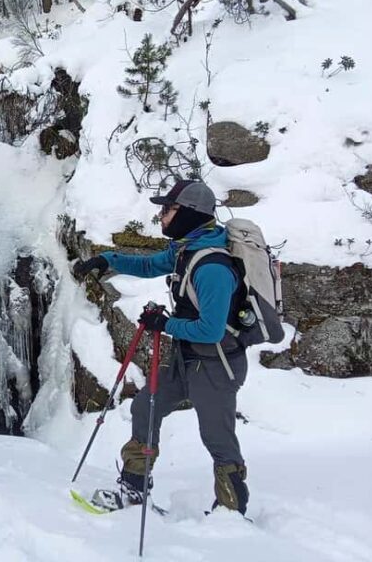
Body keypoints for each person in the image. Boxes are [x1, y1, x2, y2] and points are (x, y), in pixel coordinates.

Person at [73, 180, 250, 516]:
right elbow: (150, 265)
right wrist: (106, 260)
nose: (162, 215)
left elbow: (211, 330)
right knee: (146, 407)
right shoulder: (186, 249)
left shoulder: (212, 267)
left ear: (190, 214)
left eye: (168, 209)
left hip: (216, 365)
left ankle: (232, 512)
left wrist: (164, 324)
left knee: (217, 437)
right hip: (187, 360)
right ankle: (134, 489)